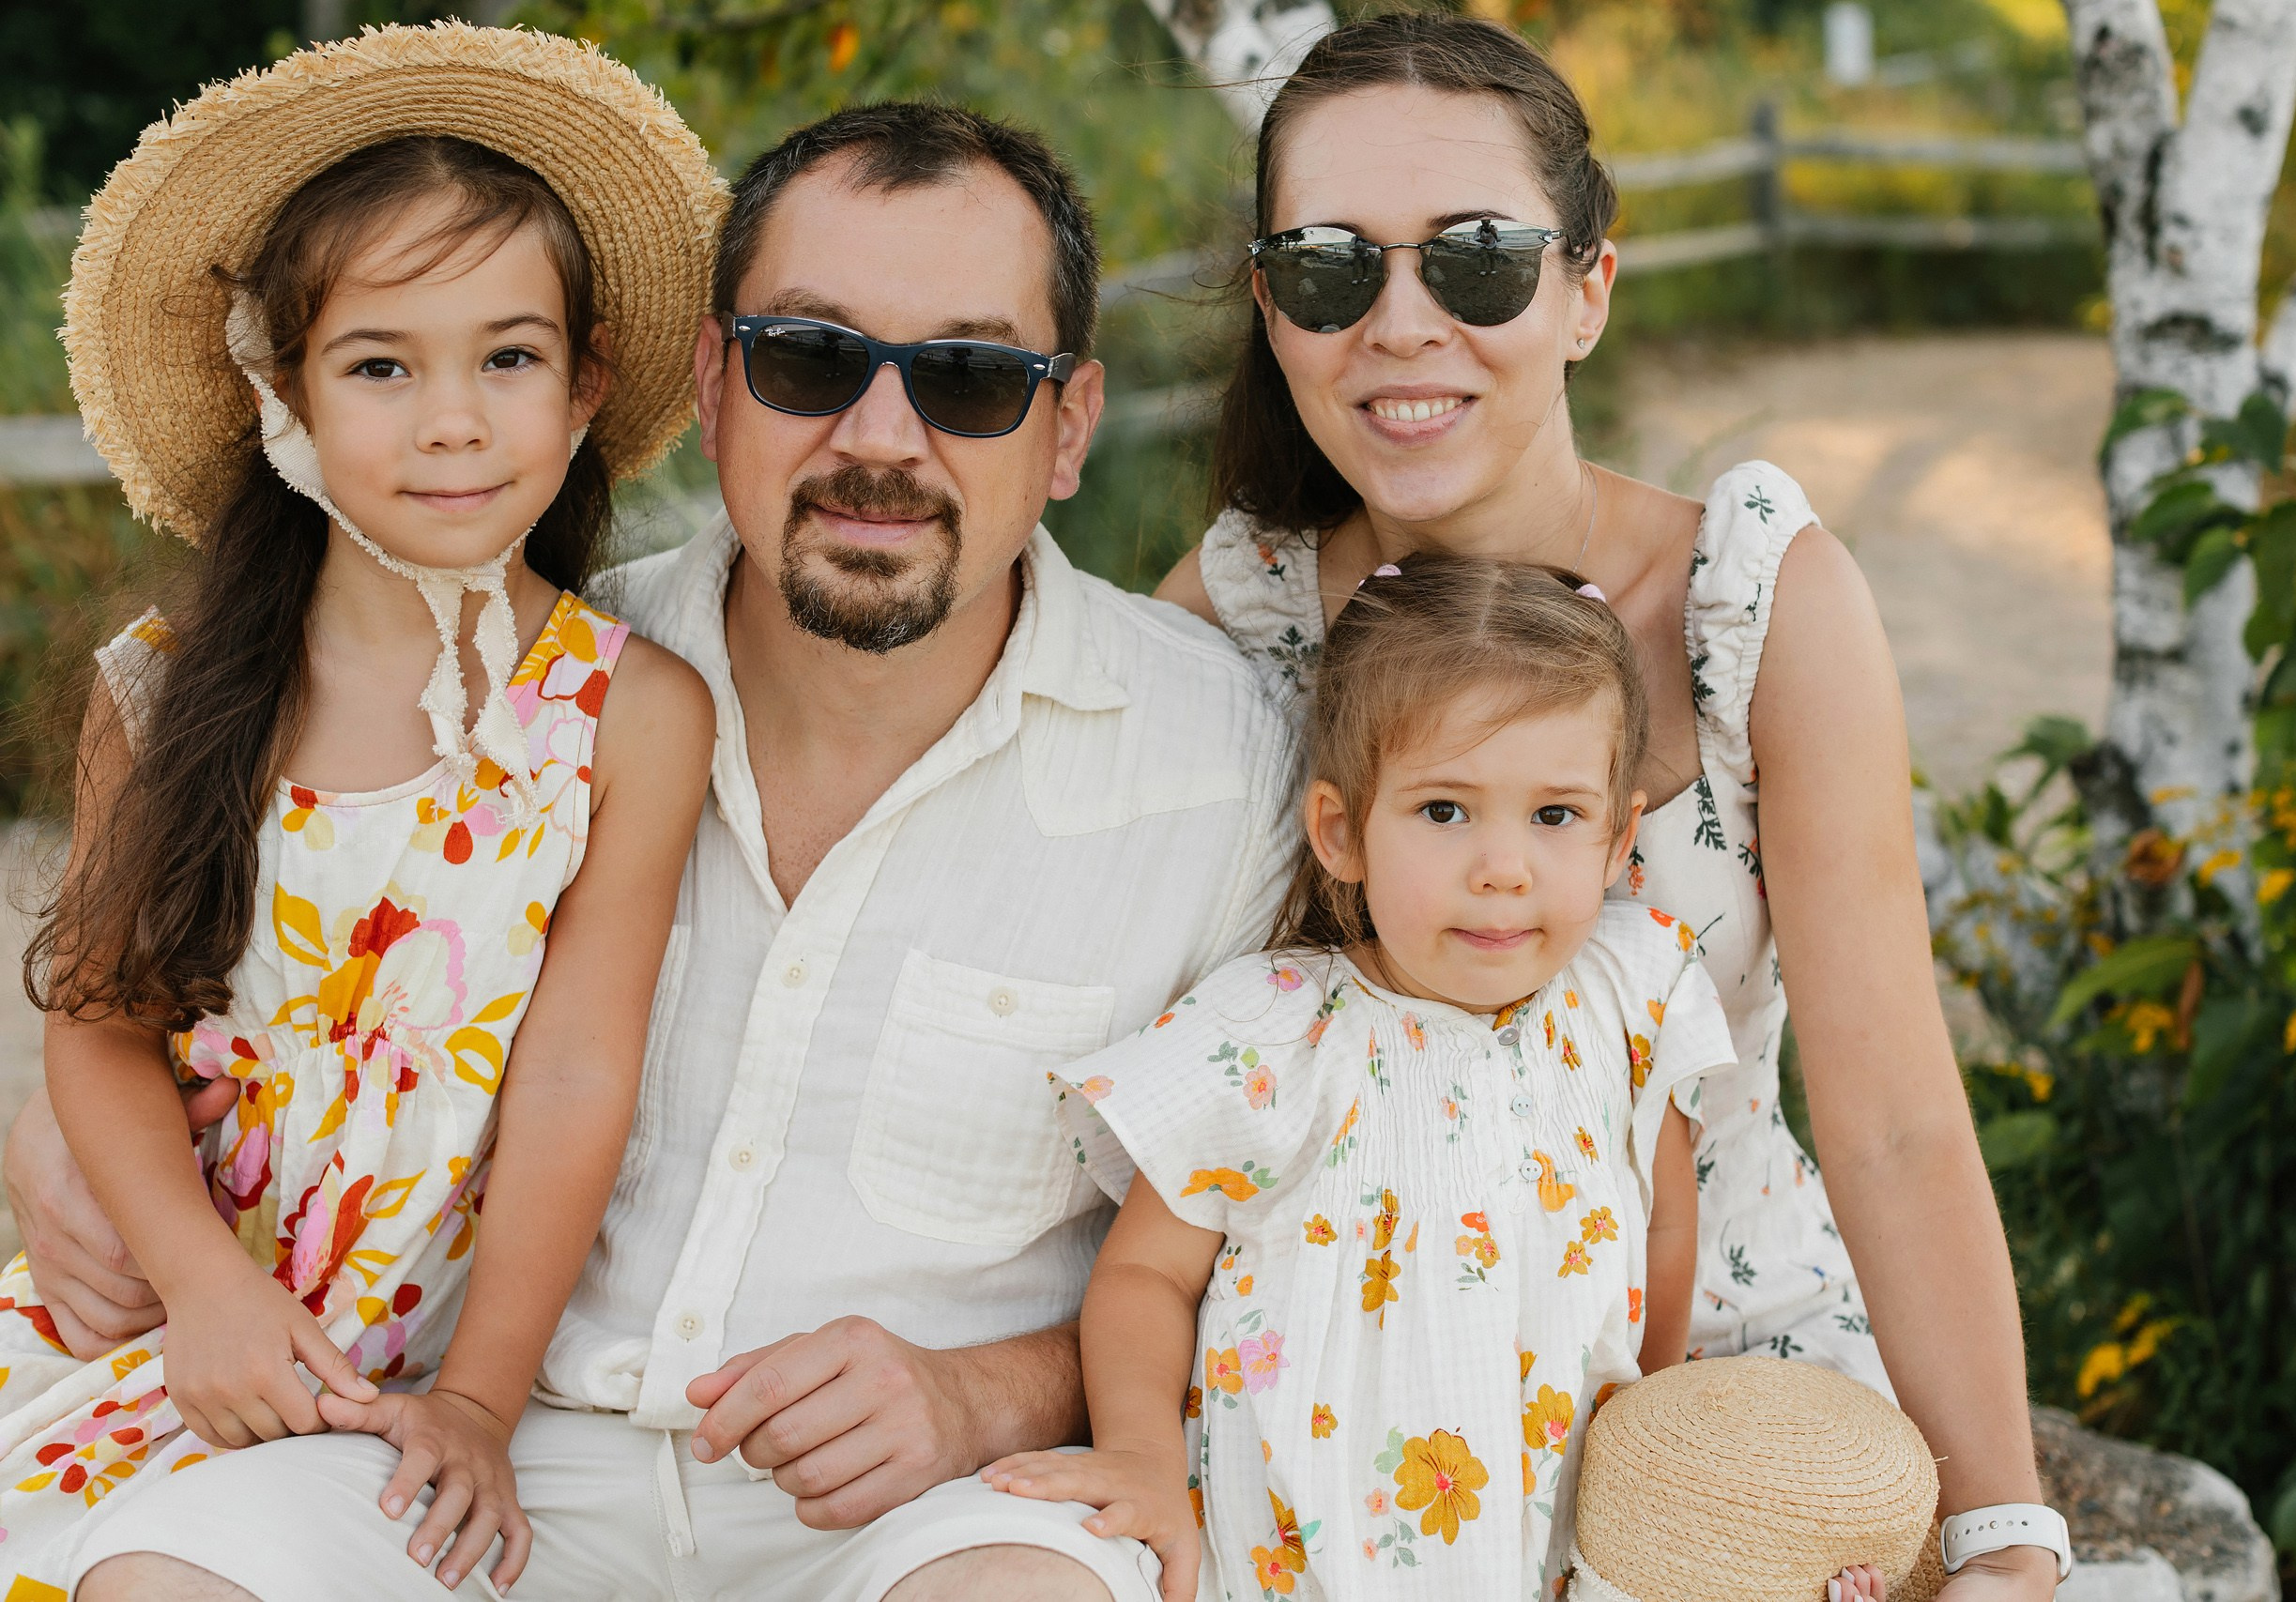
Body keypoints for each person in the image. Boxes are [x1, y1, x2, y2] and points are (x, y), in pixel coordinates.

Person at [8, 94, 1297, 1602]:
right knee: (175, 1574)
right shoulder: (536, 673)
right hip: (459, 1437)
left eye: (968, 377)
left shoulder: (1232, 767)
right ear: (712, 379)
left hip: (931, 1505)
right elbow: (154, 999)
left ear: (1069, 425)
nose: (881, 438)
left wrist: (993, 1389)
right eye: (810, 357)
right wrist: (87, 1158)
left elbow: (1310, 1230)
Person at [1153, 13, 2065, 1598]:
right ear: (1271, 305)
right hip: (1365, 1400)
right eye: (1328, 268)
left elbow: (1897, 1118)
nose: (1401, 323)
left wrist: (2005, 1529)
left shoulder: (1752, 602)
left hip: (1731, 1398)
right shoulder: (1239, 616)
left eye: (1477, 260)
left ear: (1587, 289)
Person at [3, 26, 721, 1600]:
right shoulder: (168, 690)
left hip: (416, 1375)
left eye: (508, 357)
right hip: (172, 1321)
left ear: (588, 381)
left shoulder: (625, 714)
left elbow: (573, 1074)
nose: (452, 420)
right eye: (382, 365)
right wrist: (202, 1289)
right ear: (286, 394)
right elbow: (101, 1026)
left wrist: (479, 1399)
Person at [984, 557, 1886, 1602]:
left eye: (1555, 816)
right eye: (1446, 810)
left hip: (1554, 1531)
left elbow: (1665, 1228)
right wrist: (1141, 1454)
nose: (1502, 866)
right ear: (1342, 831)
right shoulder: (1271, 1033)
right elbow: (1147, 1274)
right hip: (1311, 1553)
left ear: (1617, 839)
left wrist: (1653, 1439)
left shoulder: (1630, 996)